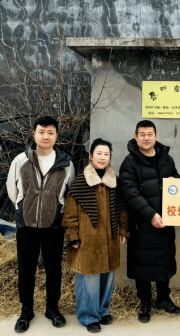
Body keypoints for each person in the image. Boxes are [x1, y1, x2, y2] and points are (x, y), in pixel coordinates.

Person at [6, 116, 76, 333]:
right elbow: (12, 189)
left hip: (53, 226)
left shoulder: (66, 163)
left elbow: (69, 193)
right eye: (42, 132)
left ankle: (52, 309)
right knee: (26, 269)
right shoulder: (21, 160)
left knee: (53, 269)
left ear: (56, 136)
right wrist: (22, 208)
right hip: (26, 225)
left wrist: (57, 212)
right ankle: (26, 311)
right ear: (34, 133)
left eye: (50, 132)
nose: (46, 136)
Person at [119, 120, 180, 323]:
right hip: (142, 224)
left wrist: (177, 183)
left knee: (164, 260)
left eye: (150, 134)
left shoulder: (166, 158)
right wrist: (151, 215)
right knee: (143, 265)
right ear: (136, 137)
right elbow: (130, 194)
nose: (146, 138)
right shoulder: (130, 162)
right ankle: (145, 302)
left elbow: (176, 181)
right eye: (142, 134)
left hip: (166, 221)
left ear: (155, 136)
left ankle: (164, 299)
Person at [62, 139, 129, 333]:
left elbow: (122, 209)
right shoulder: (81, 182)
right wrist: (74, 236)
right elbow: (70, 213)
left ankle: (102, 310)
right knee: (89, 280)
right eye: (99, 153)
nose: (102, 157)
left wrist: (122, 230)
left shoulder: (114, 181)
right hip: (87, 240)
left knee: (107, 278)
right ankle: (88, 316)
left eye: (106, 154)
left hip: (110, 238)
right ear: (91, 156)